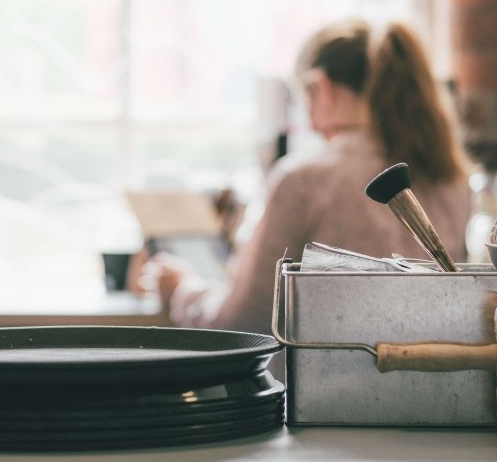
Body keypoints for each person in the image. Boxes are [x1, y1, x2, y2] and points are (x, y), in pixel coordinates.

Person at [139, 19, 472, 335]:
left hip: (322, 391)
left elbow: (242, 322)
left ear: (321, 88)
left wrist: (183, 290)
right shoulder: (451, 180)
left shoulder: (305, 181)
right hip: (426, 389)